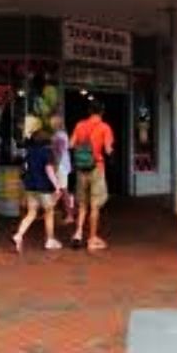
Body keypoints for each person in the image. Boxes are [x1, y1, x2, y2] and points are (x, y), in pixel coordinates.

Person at [12, 119, 63, 252]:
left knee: (31, 213)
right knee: (49, 212)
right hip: (44, 187)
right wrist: (57, 186)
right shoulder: (47, 152)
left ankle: (19, 234)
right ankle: (50, 240)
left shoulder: (30, 152)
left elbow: (25, 168)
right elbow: (49, 170)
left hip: (30, 186)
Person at [70, 100, 114, 251]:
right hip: (96, 167)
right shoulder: (104, 127)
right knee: (94, 206)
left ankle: (78, 233)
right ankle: (92, 238)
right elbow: (108, 150)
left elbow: (71, 144)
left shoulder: (79, 125)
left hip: (81, 168)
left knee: (82, 204)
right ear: (102, 111)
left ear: (89, 111)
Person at [50, 113, 75, 224]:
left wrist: (55, 165)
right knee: (60, 190)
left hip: (60, 166)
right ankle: (53, 211)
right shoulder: (62, 134)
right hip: (63, 165)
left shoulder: (58, 136)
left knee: (63, 190)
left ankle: (69, 214)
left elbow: (59, 153)